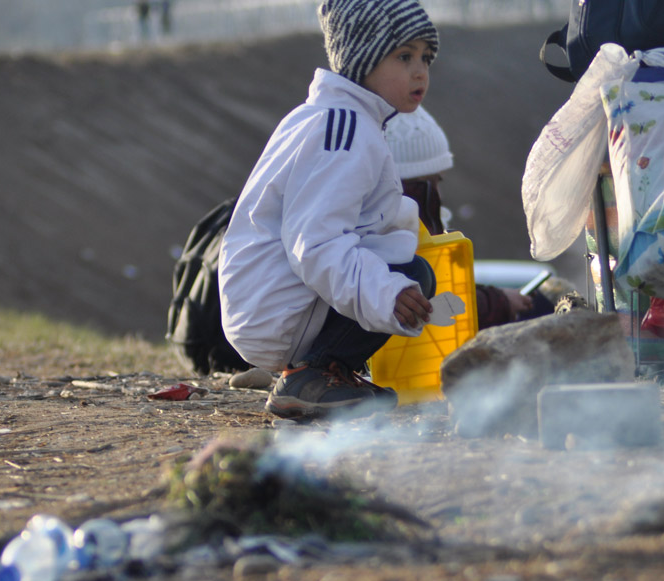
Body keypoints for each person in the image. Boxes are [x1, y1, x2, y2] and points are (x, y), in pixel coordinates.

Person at [219, 0, 440, 420]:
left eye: (426, 58)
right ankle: (311, 375)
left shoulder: (338, 117)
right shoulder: (345, 129)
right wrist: (386, 293)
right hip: (276, 312)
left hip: (270, 304)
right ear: (362, 57)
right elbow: (314, 243)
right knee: (410, 276)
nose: (420, 72)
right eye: (404, 56)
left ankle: (323, 370)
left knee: (406, 266)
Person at [383, 106, 556, 328]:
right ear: (409, 186)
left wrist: (495, 298)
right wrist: (500, 303)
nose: (439, 196)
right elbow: (434, 304)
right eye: (432, 183)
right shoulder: (401, 248)